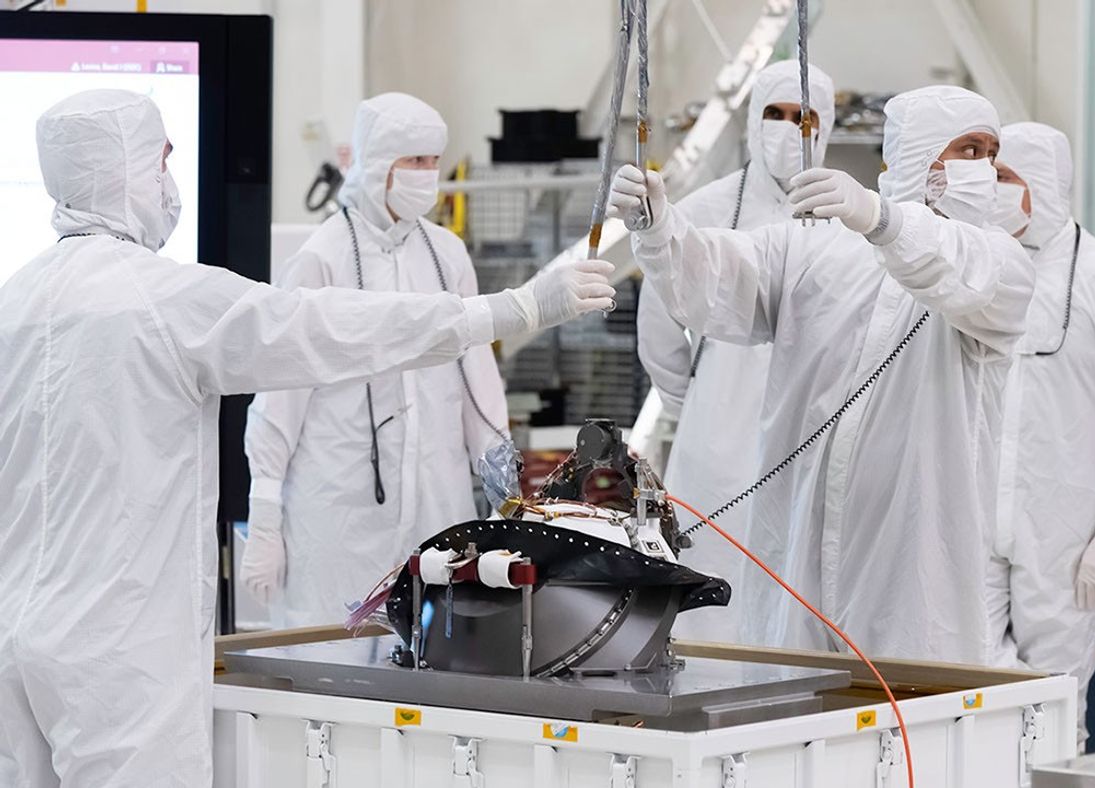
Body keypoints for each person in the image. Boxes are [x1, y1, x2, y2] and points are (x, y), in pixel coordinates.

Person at [0, 89, 614, 787]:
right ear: (131, 172)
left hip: (18, 639)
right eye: (163, 160)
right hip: (120, 646)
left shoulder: (15, 301)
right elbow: (321, 329)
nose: (170, 181)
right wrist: (518, 306)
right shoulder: (161, 299)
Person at [610, 85, 1033, 662]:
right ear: (916, 155)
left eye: (990, 152)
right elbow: (717, 282)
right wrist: (659, 231)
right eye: (966, 150)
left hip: (912, 561)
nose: (982, 168)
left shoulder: (996, 261)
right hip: (797, 541)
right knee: (786, 708)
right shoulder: (814, 245)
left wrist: (882, 219)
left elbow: (958, 270)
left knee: (903, 717)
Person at [239, 93, 512, 627]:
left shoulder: (446, 254)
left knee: (435, 667)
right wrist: (265, 519)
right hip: (340, 511)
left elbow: (480, 388)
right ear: (379, 166)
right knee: (336, 669)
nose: (427, 175)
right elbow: (280, 399)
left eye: (433, 161)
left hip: (438, 509)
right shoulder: (323, 256)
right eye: (413, 162)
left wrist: (505, 496)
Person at [632, 60, 836, 644]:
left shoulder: (845, 215)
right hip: (718, 442)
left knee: (804, 595)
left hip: (812, 429)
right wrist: (696, 409)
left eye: (805, 117)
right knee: (715, 596)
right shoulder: (704, 209)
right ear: (752, 119)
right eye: (775, 114)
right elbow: (660, 333)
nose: (790, 129)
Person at [982, 121, 1095, 736]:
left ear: (1042, 184)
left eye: (1004, 177)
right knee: (968, 692)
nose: (992, 190)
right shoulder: (976, 267)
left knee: (1053, 711)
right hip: (976, 521)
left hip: (1064, 533)